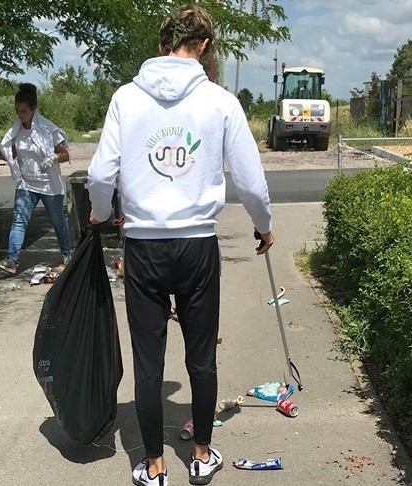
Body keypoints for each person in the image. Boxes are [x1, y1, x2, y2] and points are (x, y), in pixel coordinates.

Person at [86, 5, 274, 486]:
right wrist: (264, 226)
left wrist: (102, 214)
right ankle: (202, 455)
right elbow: (250, 182)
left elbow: (101, 174)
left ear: (162, 43)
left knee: (148, 362)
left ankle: (154, 465)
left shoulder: (126, 98)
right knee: (201, 357)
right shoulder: (221, 102)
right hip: (197, 247)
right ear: (206, 46)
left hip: (143, 247)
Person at [0, 83, 72, 275]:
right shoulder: (16, 131)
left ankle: (67, 253)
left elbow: (65, 155)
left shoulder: (47, 129)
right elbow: (12, 154)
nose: (20, 115)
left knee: (57, 221)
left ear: (33, 109)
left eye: (23, 111)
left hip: (48, 185)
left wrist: (53, 157)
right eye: (17, 111)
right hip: (26, 183)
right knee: (19, 220)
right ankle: (12, 259)